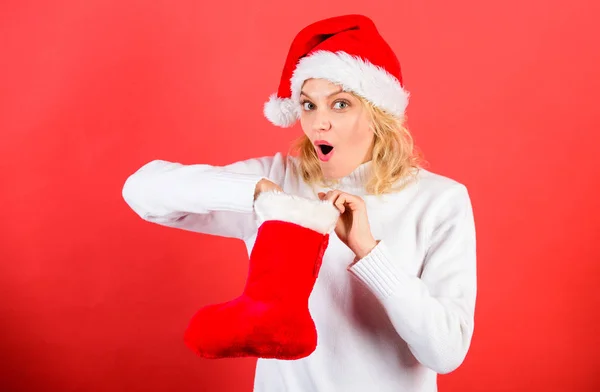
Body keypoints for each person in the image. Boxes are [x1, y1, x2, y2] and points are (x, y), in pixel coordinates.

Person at [122, 14, 477, 392]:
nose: (317, 124)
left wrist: (369, 253)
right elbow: (141, 192)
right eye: (308, 105)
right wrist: (255, 193)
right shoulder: (279, 181)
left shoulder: (440, 200)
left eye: (340, 104)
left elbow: (445, 352)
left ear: (378, 114)